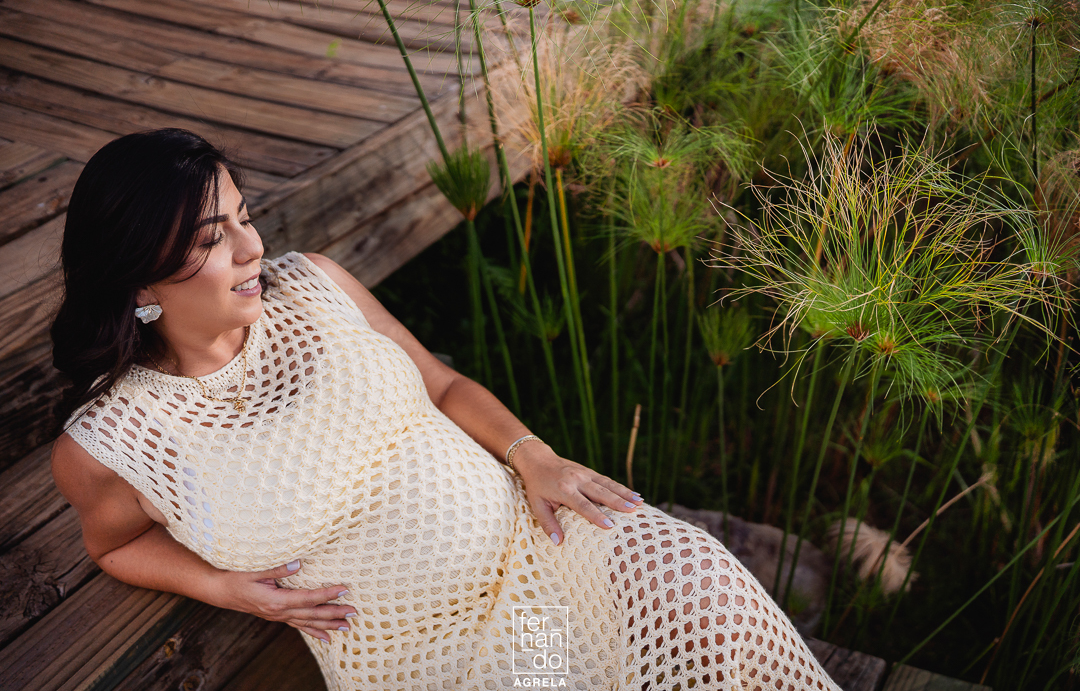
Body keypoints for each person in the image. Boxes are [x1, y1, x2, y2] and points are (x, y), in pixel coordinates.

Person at [49, 128, 841, 691]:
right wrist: (226, 589)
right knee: (548, 682)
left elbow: (441, 383)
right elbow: (113, 546)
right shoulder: (116, 439)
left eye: (247, 216)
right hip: (434, 651)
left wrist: (534, 453)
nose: (253, 248)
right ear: (140, 280)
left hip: (536, 545)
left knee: (702, 583)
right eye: (211, 238)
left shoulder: (314, 283)